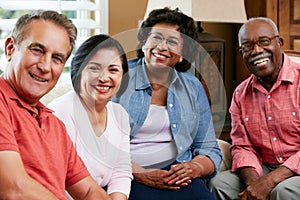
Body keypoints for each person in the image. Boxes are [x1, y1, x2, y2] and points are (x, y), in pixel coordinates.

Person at [112, 7, 222, 200]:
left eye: (172, 41)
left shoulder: (193, 87)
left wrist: (194, 168)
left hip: (178, 173)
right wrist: (140, 173)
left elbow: (209, 147)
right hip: (128, 173)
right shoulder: (119, 77)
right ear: (144, 41)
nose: (162, 47)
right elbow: (101, 145)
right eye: (156, 37)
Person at [0, 10, 111, 199]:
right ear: (10, 48)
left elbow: (89, 191)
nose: (45, 66)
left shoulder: (54, 124)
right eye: (37, 50)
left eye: (57, 59)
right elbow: (14, 189)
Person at [209, 17, 300, 200]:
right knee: (219, 185)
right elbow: (242, 146)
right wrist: (254, 184)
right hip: (264, 167)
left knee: (282, 191)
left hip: (296, 170)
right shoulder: (240, 94)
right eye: (247, 47)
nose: (257, 51)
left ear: (279, 43)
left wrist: (269, 182)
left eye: (264, 42)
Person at [48, 34, 132, 200]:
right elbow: (59, 182)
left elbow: (121, 171)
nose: (103, 78)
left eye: (113, 70)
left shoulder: (120, 114)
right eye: (94, 68)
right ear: (79, 71)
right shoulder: (59, 113)